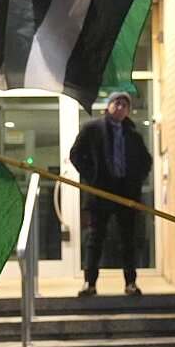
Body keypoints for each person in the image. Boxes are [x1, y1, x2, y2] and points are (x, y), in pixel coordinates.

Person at [70, 92, 152, 297]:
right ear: (108, 106)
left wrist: (135, 182)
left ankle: (130, 282)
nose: (121, 108)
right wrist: (92, 177)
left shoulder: (133, 134)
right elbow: (76, 154)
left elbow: (146, 161)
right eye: (117, 103)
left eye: (125, 105)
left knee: (128, 239)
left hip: (125, 192)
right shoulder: (93, 128)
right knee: (95, 238)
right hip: (100, 191)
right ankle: (90, 283)